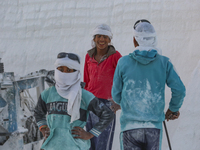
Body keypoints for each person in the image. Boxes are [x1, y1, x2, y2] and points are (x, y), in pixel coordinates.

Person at [111, 19, 186, 150]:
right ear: (153, 39)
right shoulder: (164, 62)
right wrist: (173, 109)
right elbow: (179, 89)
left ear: (134, 40)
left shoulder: (123, 62)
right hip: (154, 128)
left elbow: (116, 95)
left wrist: (129, 103)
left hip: (129, 127)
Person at [34, 52, 115, 150]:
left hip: (75, 146)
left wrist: (90, 134)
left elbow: (107, 114)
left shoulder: (84, 95)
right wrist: (43, 128)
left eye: (69, 70)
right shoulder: (48, 93)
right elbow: (38, 112)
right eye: (61, 69)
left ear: (76, 71)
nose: (64, 73)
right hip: (51, 146)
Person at [84, 24, 122, 150]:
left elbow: (124, 79)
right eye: (99, 36)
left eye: (105, 37)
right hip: (90, 104)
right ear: (94, 39)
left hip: (107, 105)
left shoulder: (116, 56)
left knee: (103, 144)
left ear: (109, 39)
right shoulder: (88, 56)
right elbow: (86, 80)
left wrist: (119, 102)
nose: (102, 39)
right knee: (90, 142)